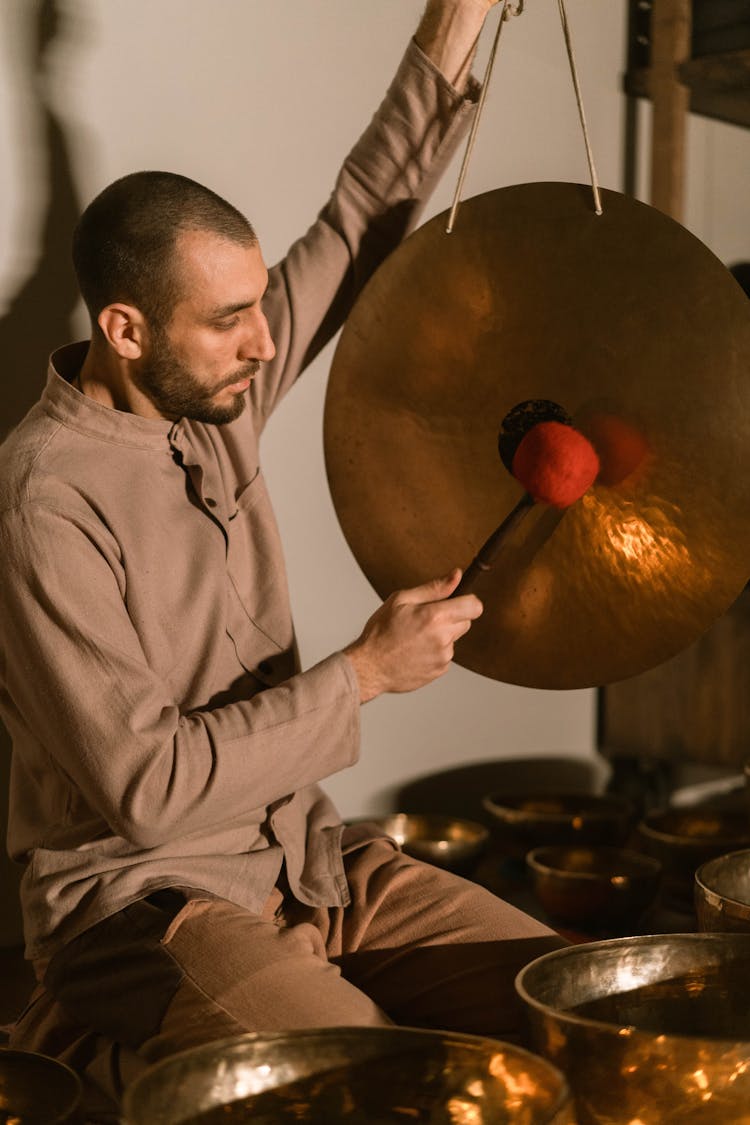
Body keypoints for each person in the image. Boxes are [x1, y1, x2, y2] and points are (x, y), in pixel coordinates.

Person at [0, 2, 565, 1119]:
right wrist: (362, 673)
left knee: (573, 1003)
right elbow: (149, 793)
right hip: (142, 907)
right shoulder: (39, 502)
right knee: (385, 1087)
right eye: (233, 321)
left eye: (263, 307)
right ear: (126, 330)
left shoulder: (209, 398)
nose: (269, 344)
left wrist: (450, 26)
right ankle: (103, 1059)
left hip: (308, 861)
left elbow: (355, 225)